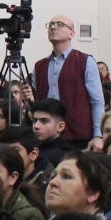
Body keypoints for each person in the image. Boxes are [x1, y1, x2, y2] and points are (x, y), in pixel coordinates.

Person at [33, 15, 101, 145]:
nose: (53, 27)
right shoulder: (39, 66)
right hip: (47, 136)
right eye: (50, 24)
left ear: (71, 33)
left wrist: (98, 135)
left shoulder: (85, 61)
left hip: (76, 135)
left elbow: (97, 101)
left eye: (59, 24)